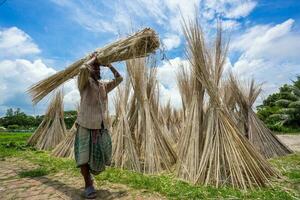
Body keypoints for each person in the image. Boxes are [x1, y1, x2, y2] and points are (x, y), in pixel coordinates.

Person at [75, 53, 123, 199]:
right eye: (95, 68)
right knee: (84, 156)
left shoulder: (103, 86)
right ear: (90, 68)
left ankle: (90, 176)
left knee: (104, 151)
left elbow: (119, 79)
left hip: (101, 126)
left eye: (99, 69)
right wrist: (94, 59)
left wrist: (109, 64)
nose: (98, 70)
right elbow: (82, 68)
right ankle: (88, 185)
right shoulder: (83, 82)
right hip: (85, 124)